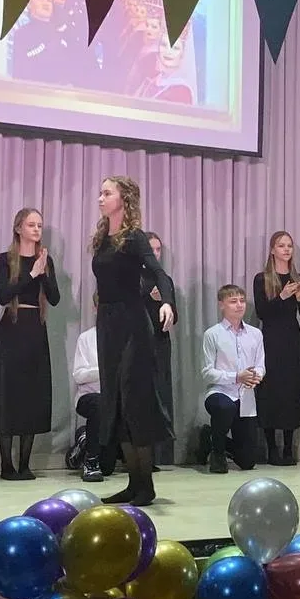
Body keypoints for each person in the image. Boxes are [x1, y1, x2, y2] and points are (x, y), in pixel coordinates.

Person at [91, 176, 176, 506]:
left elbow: (158, 273)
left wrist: (166, 302)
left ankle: (146, 485)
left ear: (123, 199)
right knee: (115, 402)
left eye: (107, 193)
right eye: (101, 193)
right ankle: (134, 483)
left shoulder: (135, 237)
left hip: (132, 324)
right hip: (107, 324)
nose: (101, 198)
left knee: (134, 401)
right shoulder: (103, 238)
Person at [0, 208, 60, 480]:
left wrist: (43, 272)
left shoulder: (45, 260)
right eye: (31, 225)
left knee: (32, 395)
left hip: (36, 329)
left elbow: (55, 298)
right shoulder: (5, 259)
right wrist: (31, 274)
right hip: (13, 328)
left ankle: (25, 464)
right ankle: (6, 466)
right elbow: (3, 295)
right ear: (18, 228)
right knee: (8, 393)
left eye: (39, 225)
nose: (37, 229)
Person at [252, 231, 300, 465]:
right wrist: (283, 296)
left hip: (291, 338)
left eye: (289, 246)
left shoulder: (298, 278)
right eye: (281, 245)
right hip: (270, 339)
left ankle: (288, 447)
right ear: (272, 250)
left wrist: (299, 299)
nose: (286, 249)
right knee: (270, 389)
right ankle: (271, 449)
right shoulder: (262, 279)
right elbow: (262, 313)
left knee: (291, 390)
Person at [202, 285, 265, 473]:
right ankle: (217, 453)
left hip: (246, 397)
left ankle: (209, 435)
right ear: (222, 305)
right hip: (220, 392)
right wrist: (236, 377)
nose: (239, 305)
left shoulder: (255, 334)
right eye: (233, 301)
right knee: (225, 407)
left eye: (242, 301)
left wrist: (255, 376)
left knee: (248, 462)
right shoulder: (212, 334)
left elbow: (261, 365)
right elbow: (207, 372)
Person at [72, 292, 119, 482]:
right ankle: (90, 461)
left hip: (116, 399)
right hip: (89, 396)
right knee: (100, 404)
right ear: (95, 309)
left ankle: (84, 440)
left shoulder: (124, 337)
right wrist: (104, 370)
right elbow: (79, 375)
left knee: (107, 468)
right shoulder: (86, 338)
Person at [143, 232, 171, 472]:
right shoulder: (132, 276)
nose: (155, 253)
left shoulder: (164, 279)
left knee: (159, 397)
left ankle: (156, 456)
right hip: (137, 342)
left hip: (160, 343)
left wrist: (162, 301)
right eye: (151, 249)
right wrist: (147, 297)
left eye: (158, 249)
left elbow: (173, 318)